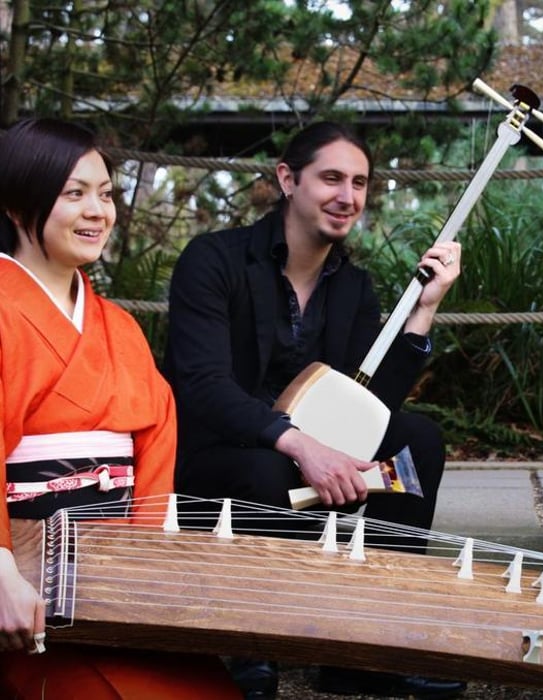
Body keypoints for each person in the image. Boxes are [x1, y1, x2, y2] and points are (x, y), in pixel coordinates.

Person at [164, 121, 465, 698]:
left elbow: (370, 409)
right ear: (287, 179)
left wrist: (424, 310)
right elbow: (203, 385)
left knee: (416, 443)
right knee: (266, 468)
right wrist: (299, 442)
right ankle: (251, 645)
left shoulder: (353, 287)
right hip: (214, 464)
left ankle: (365, 647)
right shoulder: (214, 260)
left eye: (359, 182)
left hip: (307, 462)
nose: (346, 196)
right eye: (331, 178)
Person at [0, 118, 242, 699]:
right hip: (23, 587)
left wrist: (139, 577)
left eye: (105, 194)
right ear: (15, 204)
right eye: (73, 193)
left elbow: (155, 454)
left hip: (108, 590)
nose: (97, 212)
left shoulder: (121, 328)